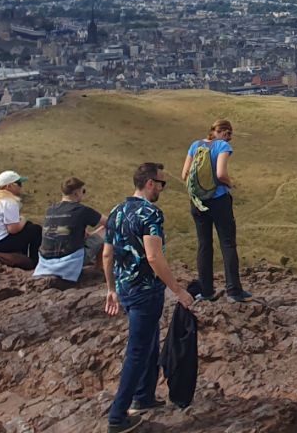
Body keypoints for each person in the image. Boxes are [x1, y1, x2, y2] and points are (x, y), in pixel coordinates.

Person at [103, 162, 195, 433]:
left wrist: (111, 288)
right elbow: (154, 256)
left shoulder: (116, 211)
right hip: (145, 291)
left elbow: (107, 254)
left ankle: (144, 396)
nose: (162, 189)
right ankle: (117, 416)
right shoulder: (150, 213)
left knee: (150, 339)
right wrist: (178, 291)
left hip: (125, 289)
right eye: (162, 183)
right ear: (150, 183)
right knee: (137, 351)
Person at [182, 119, 249, 302]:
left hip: (197, 202)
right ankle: (234, 291)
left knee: (204, 244)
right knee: (227, 244)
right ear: (225, 132)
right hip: (219, 200)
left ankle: (206, 291)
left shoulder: (195, 145)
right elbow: (220, 174)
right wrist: (230, 184)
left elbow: (184, 174)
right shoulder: (222, 146)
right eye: (229, 135)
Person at [33, 176, 106, 283]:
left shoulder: (50, 210)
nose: (84, 194)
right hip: (69, 261)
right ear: (76, 193)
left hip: (45, 262)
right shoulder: (82, 210)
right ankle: (99, 268)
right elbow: (110, 222)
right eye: (83, 191)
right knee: (107, 229)